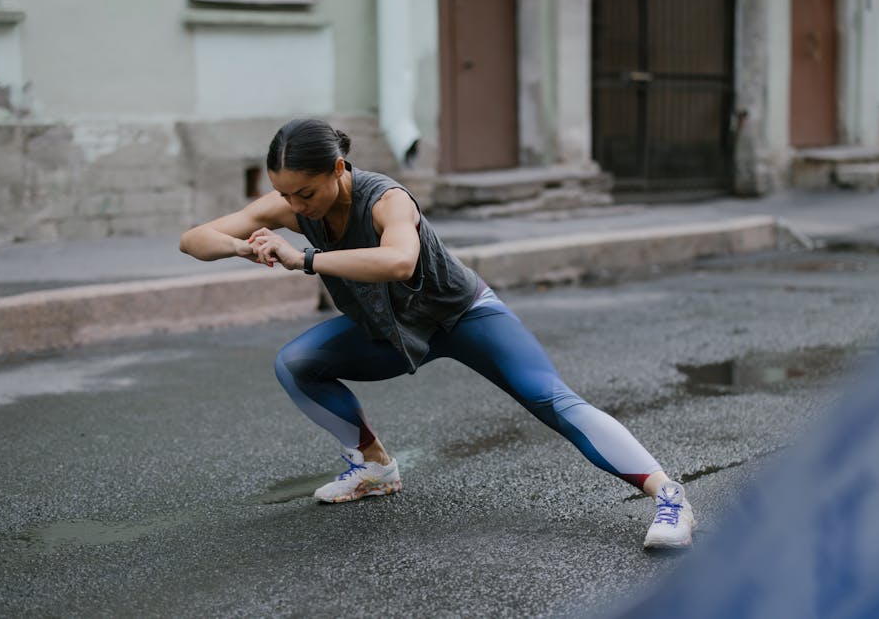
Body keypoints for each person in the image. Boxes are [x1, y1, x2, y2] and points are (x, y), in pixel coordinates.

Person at [179, 118, 695, 548]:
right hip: (390, 329)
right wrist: (247, 247)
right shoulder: (292, 204)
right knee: (295, 363)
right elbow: (194, 239)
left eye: (306, 192)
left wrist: (308, 257)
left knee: (550, 399)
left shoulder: (386, 199)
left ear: (338, 169)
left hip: (463, 316)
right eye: (284, 194)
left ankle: (669, 497)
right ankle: (374, 467)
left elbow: (400, 261)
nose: (297, 206)